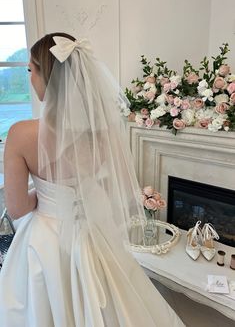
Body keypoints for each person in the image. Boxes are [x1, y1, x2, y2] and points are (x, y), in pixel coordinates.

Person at [0, 32, 185, 327]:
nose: (30, 78)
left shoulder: (21, 134)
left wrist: (44, 194)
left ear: (44, 73)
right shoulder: (101, 133)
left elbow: (18, 207)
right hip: (91, 233)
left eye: (30, 69)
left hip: (45, 243)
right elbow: (105, 187)